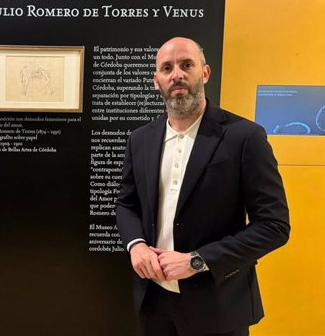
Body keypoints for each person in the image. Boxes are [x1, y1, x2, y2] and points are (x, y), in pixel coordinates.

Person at [115, 37, 290, 336]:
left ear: (205, 73)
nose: (177, 74)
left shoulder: (244, 137)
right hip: (153, 303)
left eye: (186, 65)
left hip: (217, 304)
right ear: (156, 81)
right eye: (167, 68)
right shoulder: (141, 139)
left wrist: (197, 261)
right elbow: (126, 204)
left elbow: (274, 226)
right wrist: (136, 245)